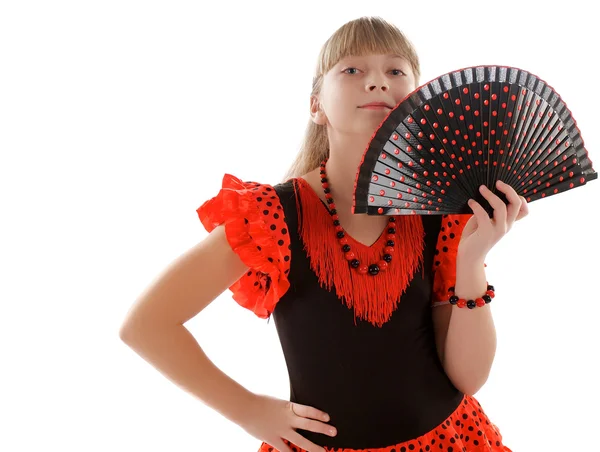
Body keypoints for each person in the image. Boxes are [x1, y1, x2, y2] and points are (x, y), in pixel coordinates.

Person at [119, 16, 529, 452]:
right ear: (316, 105)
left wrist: (471, 260)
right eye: (352, 70)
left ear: (417, 100)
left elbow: (468, 377)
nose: (376, 83)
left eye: (395, 71)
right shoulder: (272, 217)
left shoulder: (440, 215)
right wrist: (247, 410)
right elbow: (146, 326)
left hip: (450, 442)